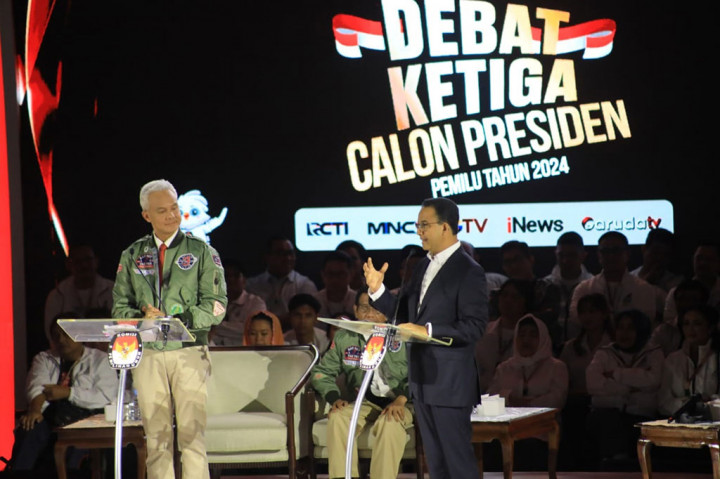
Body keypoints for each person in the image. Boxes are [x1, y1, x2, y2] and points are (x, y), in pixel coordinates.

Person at [111, 179, 228, 479]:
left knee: (192, 436)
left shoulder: (202, 251)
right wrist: (142, 316)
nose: (172, 215)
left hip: (188, 350)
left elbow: (217, 305)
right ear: (146, 215)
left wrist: (183, 320)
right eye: (162, 211)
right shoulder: (133, 254)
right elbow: (119, 307)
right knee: (157, 438)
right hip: (149, 351)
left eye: (174, 208)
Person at [364, 197, 487, 479]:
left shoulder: (469, 271)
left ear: (445, 227)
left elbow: (474, 327)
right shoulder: (422, 266)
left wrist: (429, 331)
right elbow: (403, 315)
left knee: (458, 464)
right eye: (417, 225)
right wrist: (377, 291)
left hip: (449, 382)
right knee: (437, 465)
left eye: (424, 225)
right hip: (422, 380)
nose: (419, 231)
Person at [311, 289, 413, 479]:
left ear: (387, 312)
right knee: (338, 416)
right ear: (355, 310)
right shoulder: (345, 337)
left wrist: (400, 400)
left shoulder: (404, 336)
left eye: (377, 309)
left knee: (389, 422)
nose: (370, 315)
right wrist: (334, 397)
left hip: (403, 402)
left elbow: (420, 376)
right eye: (365, 308)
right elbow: (321, 373)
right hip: (365, 401)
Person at [8, 315, 118, 472]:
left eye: (66, 334)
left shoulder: (100, 360)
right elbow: (37, 386)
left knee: (76, 442)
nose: (61, 340)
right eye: (56, 335)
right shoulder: (45, 358)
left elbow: (105, 396)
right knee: (29, 428)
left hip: (85, 418)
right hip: (51, 417)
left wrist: (68, 393)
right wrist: (35, 411)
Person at [586, 309, 663, 468]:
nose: (624, 333)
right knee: (607, 419)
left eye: (630, 328)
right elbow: (592, 383)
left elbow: (653, 380)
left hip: (641, 415)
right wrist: (629, 388)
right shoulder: (604, 353)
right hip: (607, 414)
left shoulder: (654, 353)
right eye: (620, 327)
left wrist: (616, 374)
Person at [569, 231, 665, 329]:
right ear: (598, 255)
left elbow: (645, 321)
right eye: (605, 251)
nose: (611, 256)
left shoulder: (644, 289)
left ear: (628, 253)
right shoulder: (584, 288)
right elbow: (575, 318)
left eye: (616, 250)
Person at [495, 240, 563, 351]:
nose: (513, 266)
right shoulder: (498, 295)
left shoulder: (547, 290)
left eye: (517, 259)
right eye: (508, 262)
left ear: (531, 259)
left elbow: (547, 319)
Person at [44, 244, 115, 342]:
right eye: (78, 261)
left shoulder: (114, 291)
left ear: (96, 261)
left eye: (88, 260)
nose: (84, 265)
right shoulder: (57, 296)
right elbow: (52, 334)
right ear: (68, 265)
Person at [658, 305, 720, 416]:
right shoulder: (673, 359)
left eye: (697, 323)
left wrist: (707, 406)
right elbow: (663, 401)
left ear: (710, 328)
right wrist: (688, 407)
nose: (690, 329)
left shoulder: (716, 357)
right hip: (680, 421)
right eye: (686, 323)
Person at [246, 236, 318, 329]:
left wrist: (268, 321)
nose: (288, 258)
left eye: (290, 253)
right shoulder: (252, 285)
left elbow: (308, 317)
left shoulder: (305, 284)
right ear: (267, 256)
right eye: (281, 253)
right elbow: (248, 318)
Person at [476, 279, 535, 392]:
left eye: (515, 297)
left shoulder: (534, 336)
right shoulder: (482, 331)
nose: (508, 300)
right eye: (504, 295)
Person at [544, 232, 593, 342]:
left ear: (583, 255)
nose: (565, 260)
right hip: (550, 347)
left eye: (572, 255)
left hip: (583, 347)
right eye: (561, 255)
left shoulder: (592, 285)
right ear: (555, 254)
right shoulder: (545, 285)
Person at [210, 259, 266, 346]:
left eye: (236, 276)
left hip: (245, 351)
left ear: (244, 280)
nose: (230, 279)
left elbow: (251, 329)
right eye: (226, 276)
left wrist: (214, 326)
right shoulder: (210, 301)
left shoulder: (256, 303)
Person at [630, 228, 683, 293]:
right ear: (644, 248)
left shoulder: (675, 284)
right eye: (655, 252)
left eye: (664, 254)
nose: (659, 258)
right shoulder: (629, 279)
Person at [314, 250, 357, 319]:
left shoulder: (359, 302)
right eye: (330, 274)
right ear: (322, 274)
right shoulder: (315, 301)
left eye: (340, 274)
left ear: (351, 274)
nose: (335, 279)